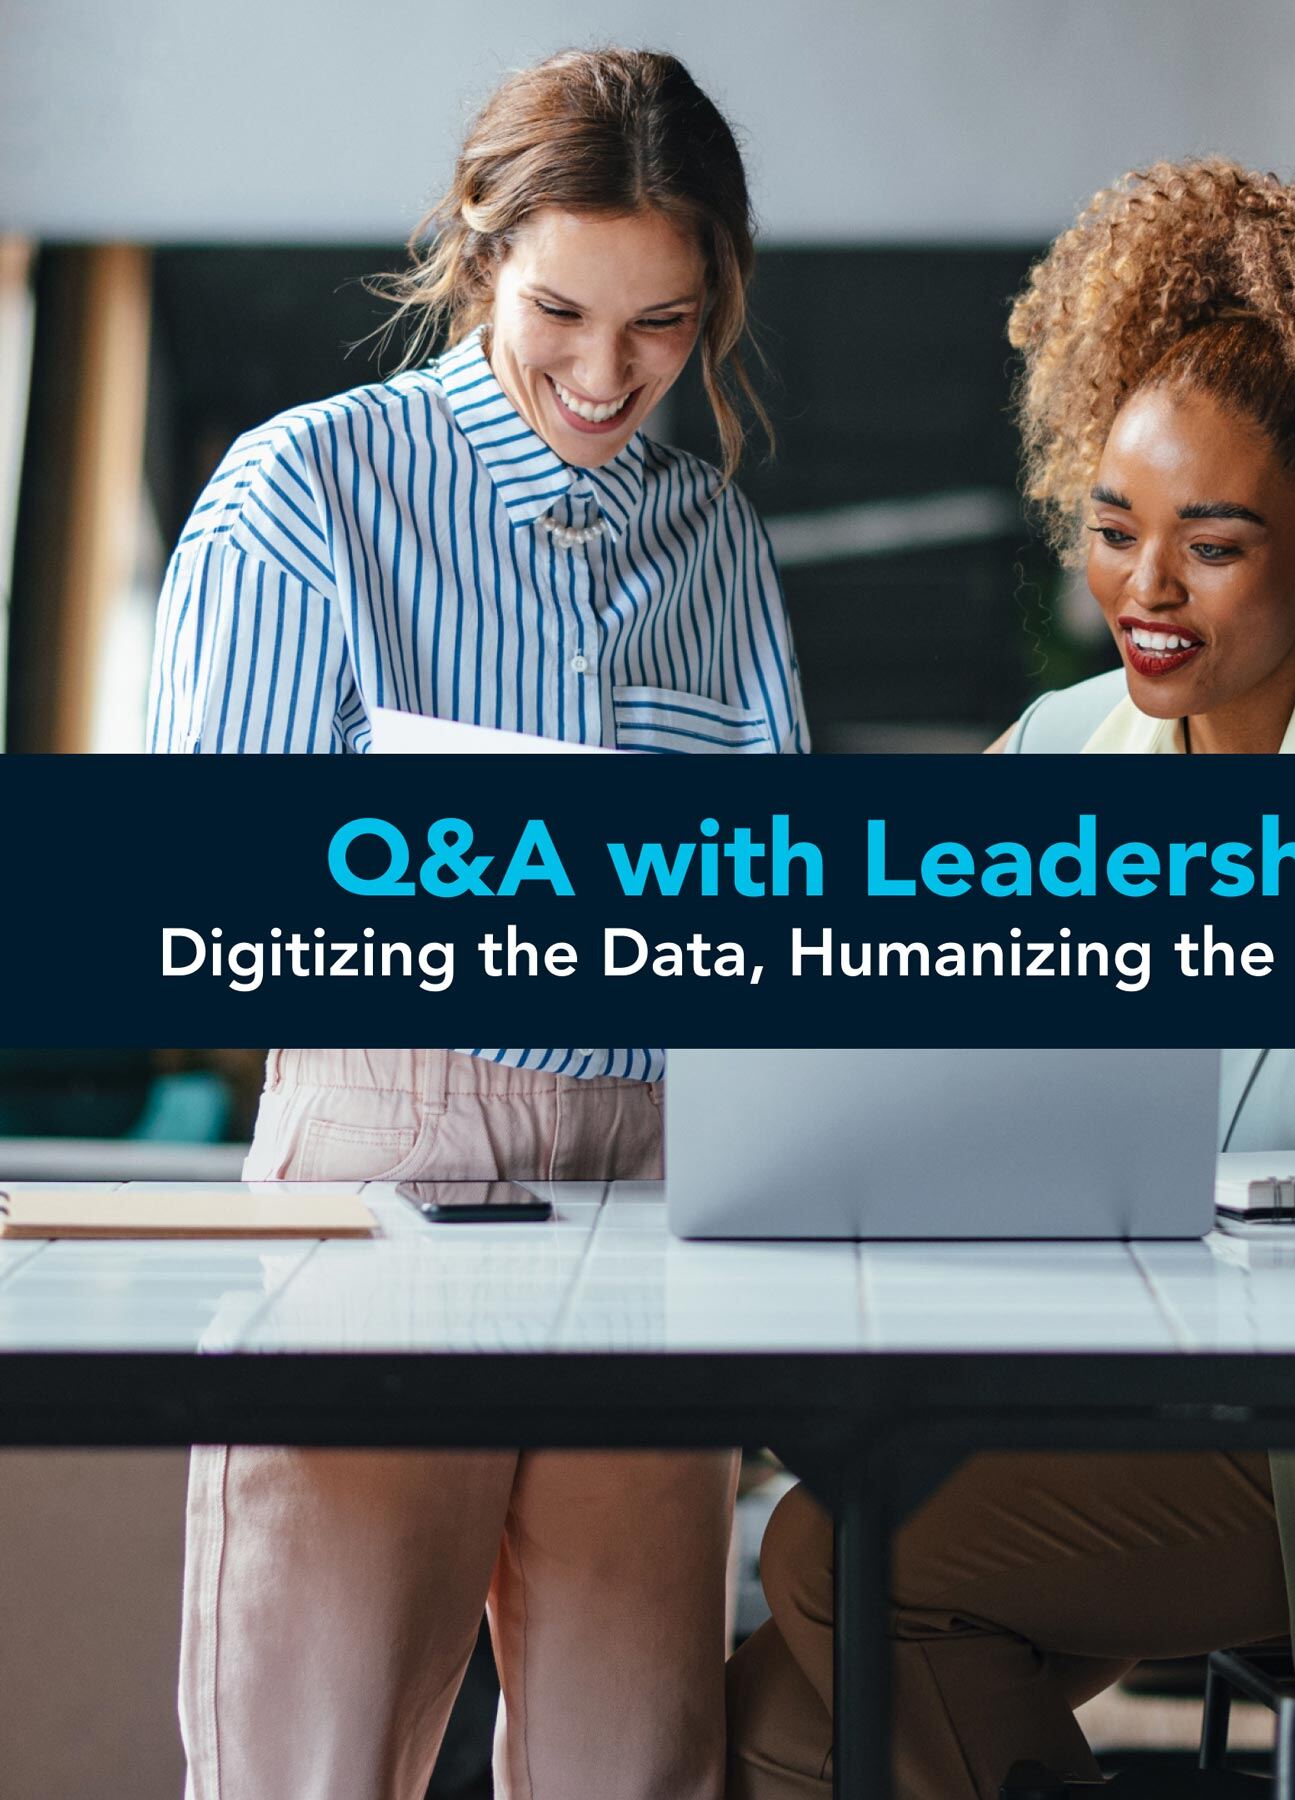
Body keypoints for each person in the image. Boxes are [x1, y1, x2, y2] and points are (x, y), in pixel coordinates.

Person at [724, 157, 1295, 1799]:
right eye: (1113, 529)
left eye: (1211, 547)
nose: (1143, 593)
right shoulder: (1051, 760)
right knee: (767, 1732)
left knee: (839, 1566)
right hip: (1108, 1399)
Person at [146, 47, 806, 1800]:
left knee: (634, 1763)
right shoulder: (307, 494)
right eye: (563, 311)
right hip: (391, 1142)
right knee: (315, 1760)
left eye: (663, 324)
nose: (608, 375)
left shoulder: (715, 540)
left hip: (655, 1173)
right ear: (475, 248)